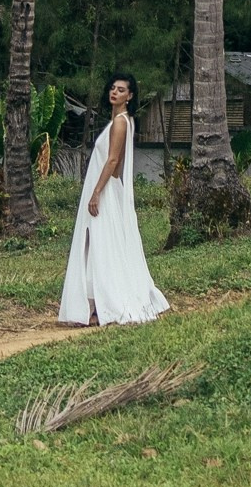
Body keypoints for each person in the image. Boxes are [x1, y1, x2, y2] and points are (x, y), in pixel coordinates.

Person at [58, 71, 169, 327]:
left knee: (101, 244)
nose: (114, 92)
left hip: (105, 191)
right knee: (97, 244)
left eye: (121, 90)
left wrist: (97, 192)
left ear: (129, 96)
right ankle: (94, 303)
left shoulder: (121, 122)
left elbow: (113, 160)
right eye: (113, 88)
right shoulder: (119, 121)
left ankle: (105, 303)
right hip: (104, 188)